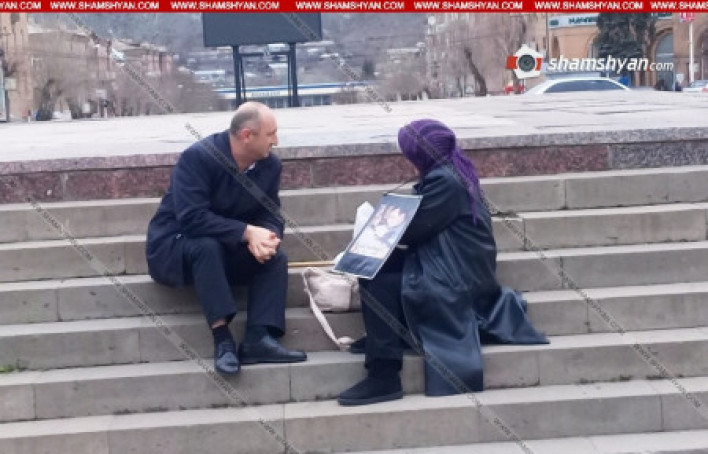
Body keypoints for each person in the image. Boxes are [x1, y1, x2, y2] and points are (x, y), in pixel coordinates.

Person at [338, 119, 548, 406]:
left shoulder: (445, 182)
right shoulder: (450, 173)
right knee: (374, 264)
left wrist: (379, 223)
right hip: (453, 267)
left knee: (377, 278)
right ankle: (385, 337)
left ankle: (384, 374)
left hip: (454, 279)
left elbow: (412, 231)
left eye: (409, 154)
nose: (407, 160)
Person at [145, 102, 307, 375]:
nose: (276, 141)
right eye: (271, 134)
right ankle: (223, 341)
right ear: (247, 135)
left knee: (275, 257)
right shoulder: (198, 158)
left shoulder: (270, 165)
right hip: (176, 246)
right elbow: (192, 218)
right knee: (206, 247)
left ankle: (259, 338)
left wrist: (267, 237)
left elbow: (270, 213)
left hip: (226, 246)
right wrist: (247, 232)